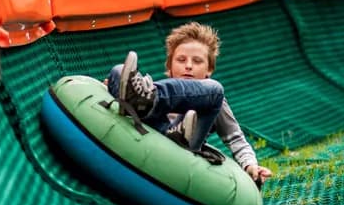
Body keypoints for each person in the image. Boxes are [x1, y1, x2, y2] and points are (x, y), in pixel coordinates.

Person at [105, 22, 272, 186]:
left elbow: (235, 138)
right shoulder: (153, 91)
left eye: (197, 61)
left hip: (186, 149)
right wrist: (113, 88)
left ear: (209, 70)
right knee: (118, 70)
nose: (189, 66)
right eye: (181, 60)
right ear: (169, 67)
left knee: (215, 90)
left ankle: (180, 133)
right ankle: (139, 103)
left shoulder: (215, 100)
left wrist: (250, 165)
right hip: (152, 134)